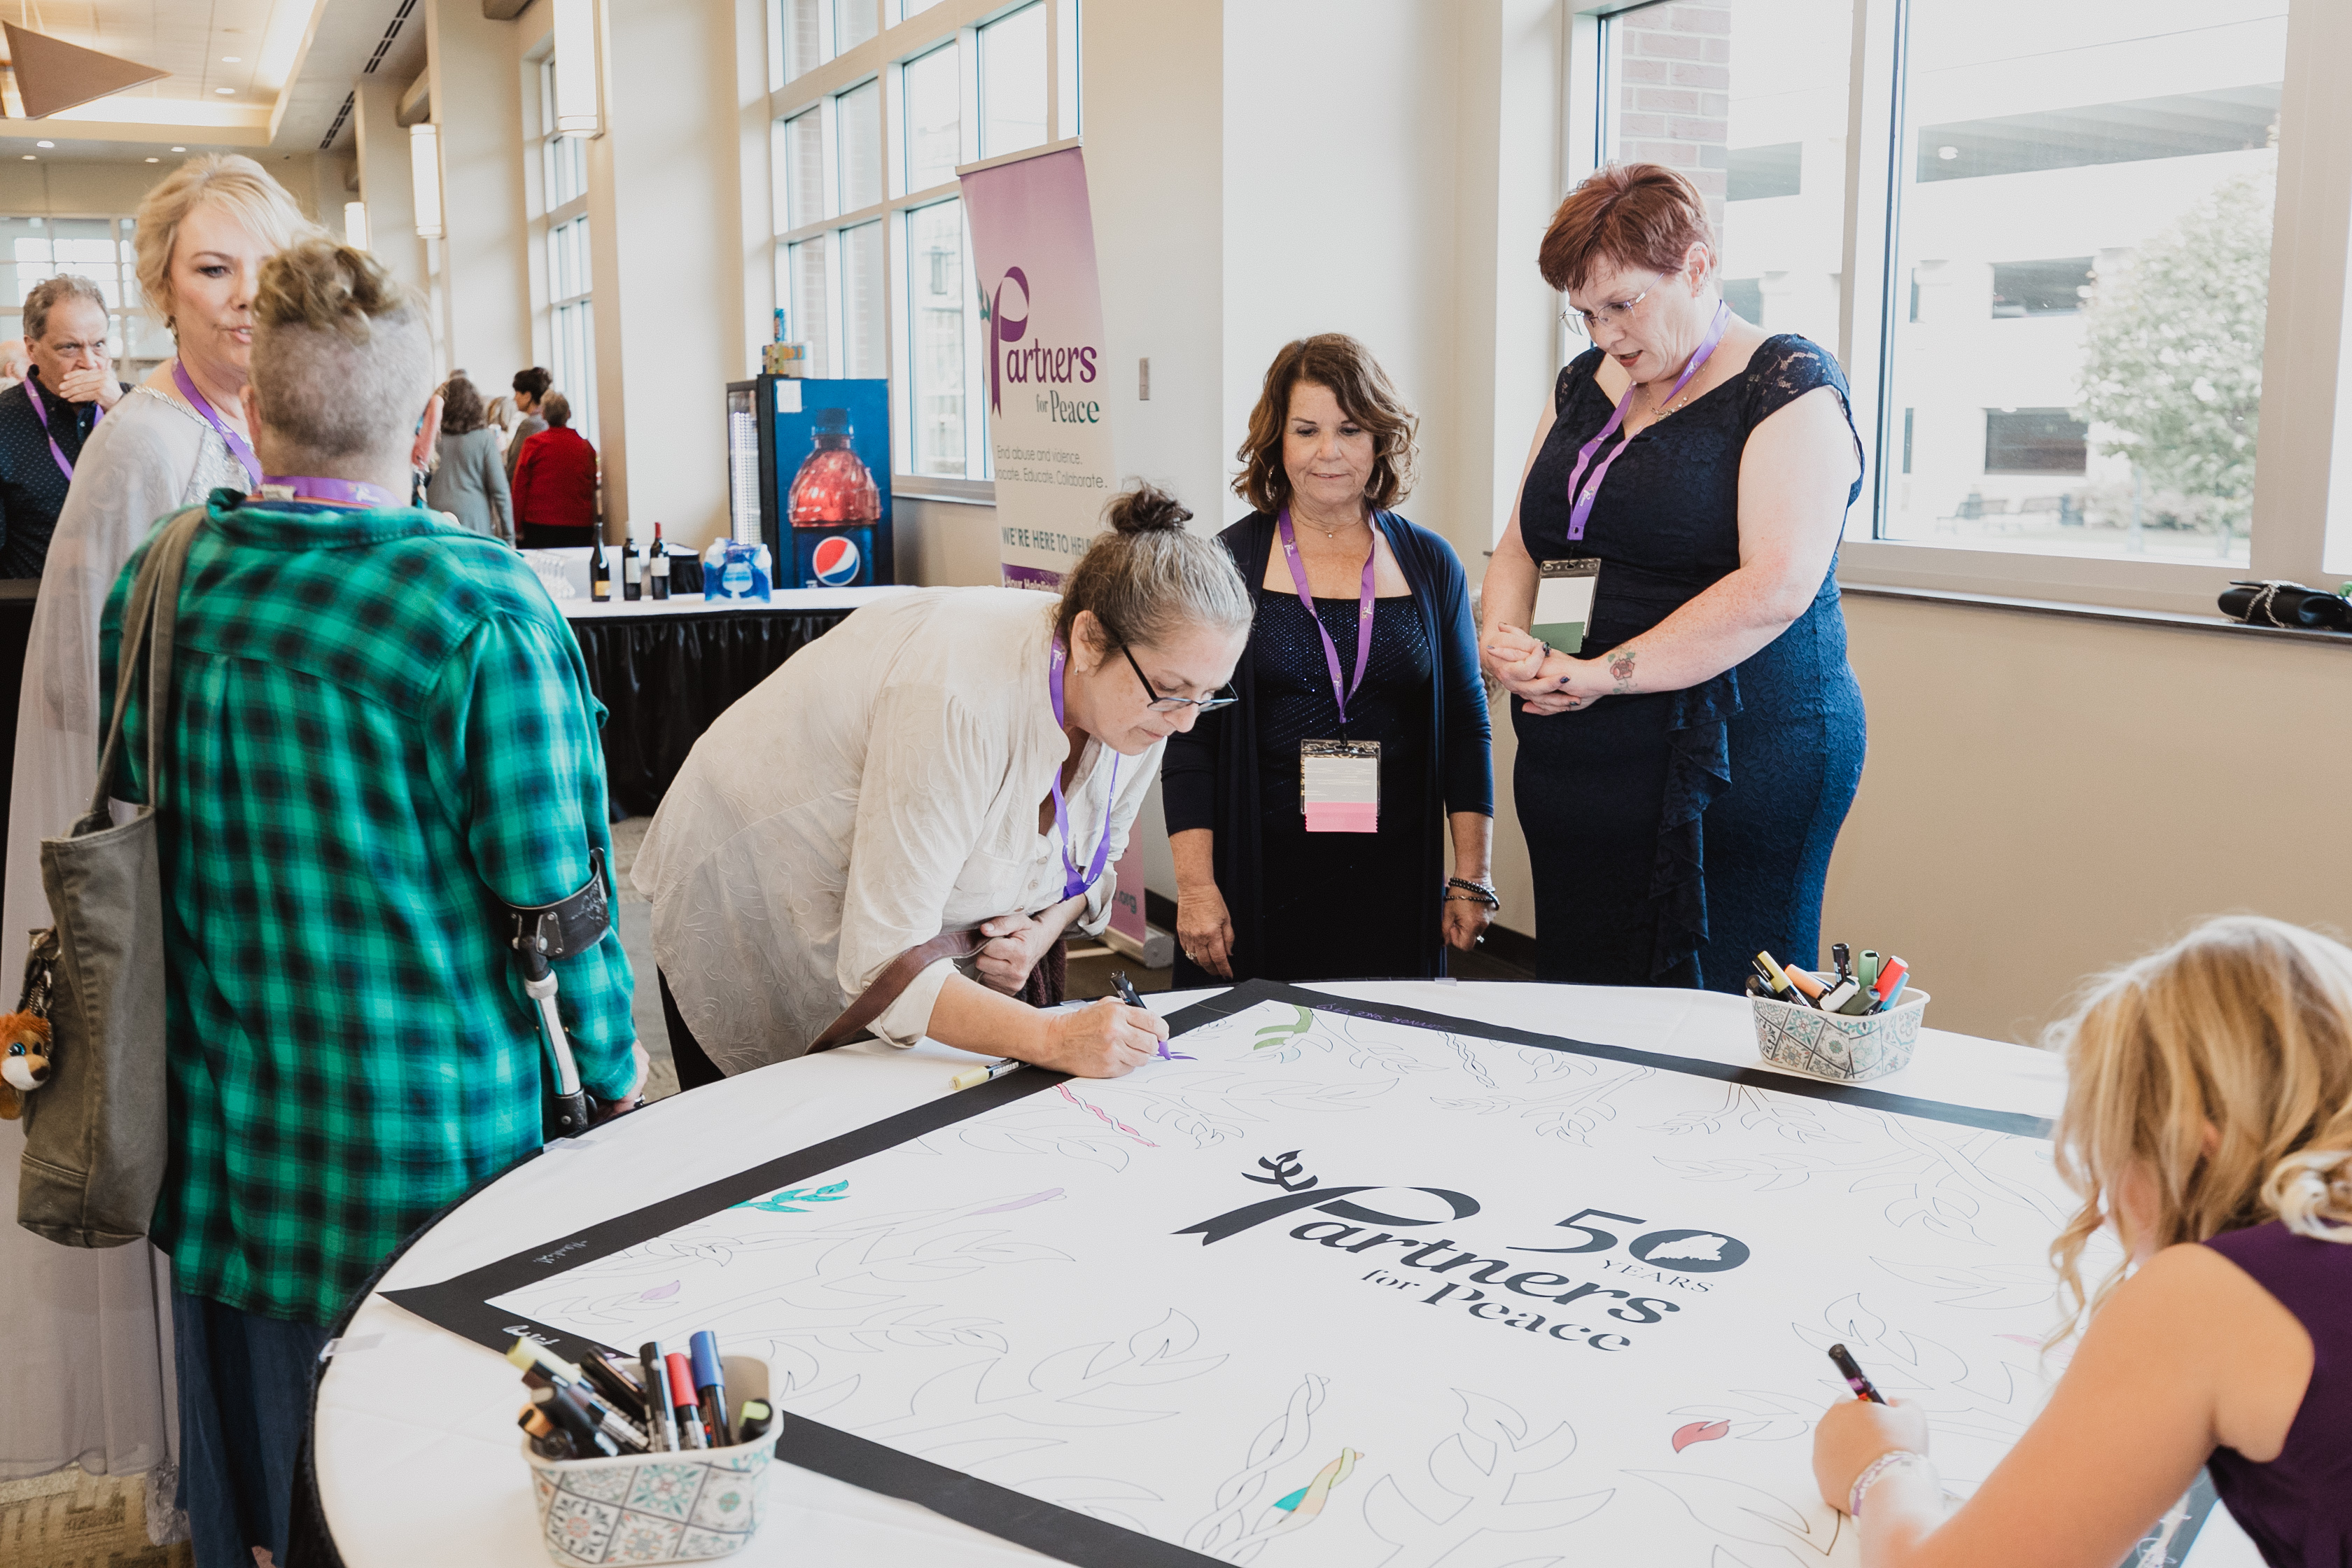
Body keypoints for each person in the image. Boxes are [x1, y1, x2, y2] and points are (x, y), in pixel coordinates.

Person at [102, 237, 644, 1568]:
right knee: (420, 1521)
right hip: (430, 1184)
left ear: (253, 411)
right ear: (420, 432)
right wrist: (616, 1080)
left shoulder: (164, 579)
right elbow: (562, 911)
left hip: (226, 1170)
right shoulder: (477, 612)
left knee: (255, 1517)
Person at [0, 151, 315, 1514]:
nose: (242, 297)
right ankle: (218, 1484)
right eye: (211, 268)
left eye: (263, 267)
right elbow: (91, 685)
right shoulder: (151, 445)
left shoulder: (278, 427)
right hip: (183, 877)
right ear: (164, 291)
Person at [635, 483, 1251, 1088]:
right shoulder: (957, 699)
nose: (1187, 722)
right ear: (1089, 641)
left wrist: (1040, 931)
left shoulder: (1143, 705)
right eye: (1173, 691)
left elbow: (1093, 863)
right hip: (755, 867)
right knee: (767, 1120)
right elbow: (884, 962)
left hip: (888, 917)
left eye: (1208, 695)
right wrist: (1055, 1038)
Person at [1811, 915, 2352, 1567]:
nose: (2102, 1208)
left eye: (2111, 1157)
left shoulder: (2211, 1296)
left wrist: (1883, 1468)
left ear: (2191, 1145)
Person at [1480, 162, 1865, 990]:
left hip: (1738, 748)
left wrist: (1599, 674)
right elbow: (1522, 543)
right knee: (1586, 993)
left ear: (1697, 266)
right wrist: (1504, 641)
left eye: (1623, 304)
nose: (1605, 335)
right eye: (1585, 313)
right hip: (1580, 746)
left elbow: (1775, 588)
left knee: (1722, 999)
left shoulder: (1787, 384)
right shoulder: (1584, 383)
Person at [1163, 334, 1493, 986]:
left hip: (1395, 876)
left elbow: (1466, 725)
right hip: (1257, 874)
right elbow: (1190, 738)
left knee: (1385, 1038)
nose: (1328, 452)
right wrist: (1196, 889)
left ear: (1380, 439)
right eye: (1306, 430)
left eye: (1349, 430)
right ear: (1276, 440)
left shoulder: (1432, 565)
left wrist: (1471, 874)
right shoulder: (1225, 564)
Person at [0, 274, 127, 578]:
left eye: (99, 344)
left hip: (131, 596)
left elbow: (175, 495)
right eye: (70, 348)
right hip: (35, 597)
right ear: (32, 349)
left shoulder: (138, 405)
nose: (90, 363)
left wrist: (121, 409)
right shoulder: (5, 421)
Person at [425, 372, 514, 542]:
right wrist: (509, 537)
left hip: (434, 515)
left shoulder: (433, 437)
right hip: (474, 519)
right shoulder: (485, 439)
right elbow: (500, 491)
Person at [510, 390, 597, 547]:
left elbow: (520, 488)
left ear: (543, 415)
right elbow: (592, 487)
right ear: (569, 414)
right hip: (579, 526)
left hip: (539, 525)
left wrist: (516, 526)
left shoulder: (533, 444)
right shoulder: (585, 447)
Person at [504, 364, 551, 484]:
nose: (514, 399)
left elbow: (515, 466)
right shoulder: (547, 420)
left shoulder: (529, 425)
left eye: (517, 393)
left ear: (527, 396)